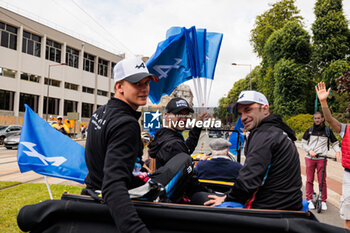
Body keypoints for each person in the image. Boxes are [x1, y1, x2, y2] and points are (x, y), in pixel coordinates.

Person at [83, 56, 193, 233]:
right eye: (137, 84)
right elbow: (113, 185)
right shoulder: (127, 123)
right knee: (185, 160)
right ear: (119, 86)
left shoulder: (100, 112)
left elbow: (102, 156)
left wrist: (141, 166)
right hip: (126, 192)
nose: (144, 90)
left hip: (94, 186)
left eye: (147, 83)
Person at [204, 90, 303, 211]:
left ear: (265, 109)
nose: (243, 118)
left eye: (248, 110)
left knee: (201, 198)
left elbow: (248, 181)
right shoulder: (279, 131)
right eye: (240, 114)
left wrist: (226, 199)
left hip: (270, 210)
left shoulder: (264, 134)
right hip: (289, 205)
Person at [315, 82, 350, 229]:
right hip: (349, 176)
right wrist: (323, 102)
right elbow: (329, 120)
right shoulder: (346, 129)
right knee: (349, 217)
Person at [148, 97, 206, 169]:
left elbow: (187, 148)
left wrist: (198, 124)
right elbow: (184, 175)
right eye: (178, 114)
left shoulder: (164, 134)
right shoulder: (173, 145)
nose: (184, 118)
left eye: (186, 114)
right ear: (166, 116)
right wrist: (201, 164)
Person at [302, 112, 341, 211]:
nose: (317, 120)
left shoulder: (327, 131)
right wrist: (310, 150)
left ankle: (323, 200)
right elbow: (303, 143)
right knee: (309, 179)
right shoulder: (310, 130)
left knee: (322, 180)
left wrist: (337, 152)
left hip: (321, 158)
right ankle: (309, 199)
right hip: (310, 158)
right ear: (314, 119)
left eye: (318, 118)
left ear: (322, 119)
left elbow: (335, 143)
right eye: (315, 118)